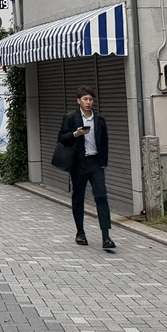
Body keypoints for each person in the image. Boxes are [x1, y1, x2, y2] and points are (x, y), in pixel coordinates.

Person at [55, 85, 115, 250]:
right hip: (79, 164)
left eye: (90, 99)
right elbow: (61, 138)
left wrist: (104, 161)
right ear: (79, 101)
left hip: (96, 163)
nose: (88, 102)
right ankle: (80, 232)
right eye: (85, 99)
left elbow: (105, 142)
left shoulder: (99, 120)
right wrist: (75, 134)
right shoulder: (71, 117)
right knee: (78, 198)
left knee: (101, 197)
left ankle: (106, 236)